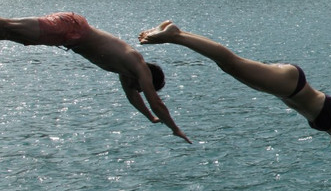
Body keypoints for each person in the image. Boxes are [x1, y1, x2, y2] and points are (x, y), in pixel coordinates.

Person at [138, 20, 331, 191]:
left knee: (229, 65)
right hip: (291, 83)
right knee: (232, 62)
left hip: (282, 90)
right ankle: (175, 36)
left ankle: (177, 33)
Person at [0, 11, 191, 143]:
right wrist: (175, 128)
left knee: (6, 33)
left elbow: (133, 98)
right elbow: (155, 102)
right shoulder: (137, 65)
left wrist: (151, 118)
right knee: (7, 25)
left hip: (66, 38)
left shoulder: (125, 73)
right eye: (142, 87)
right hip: (71, 28)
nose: (138, 89)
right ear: (148, 79)